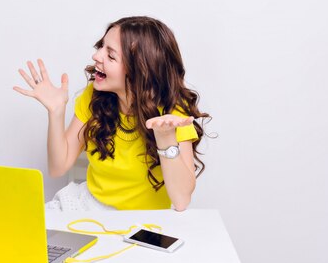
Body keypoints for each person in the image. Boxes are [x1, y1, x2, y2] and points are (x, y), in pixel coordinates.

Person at [13, 16, 210, 211]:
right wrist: (56, 112)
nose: (96, 56)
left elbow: (181, 200)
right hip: (88, 205)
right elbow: (58, 167)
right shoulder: (94, 96)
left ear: (139, 71)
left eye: (111, 55)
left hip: (144, 223)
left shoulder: (173, 109)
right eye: (101, 47)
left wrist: (166, 137)